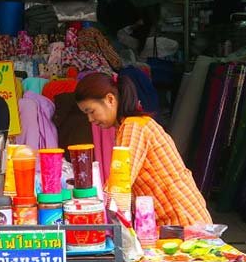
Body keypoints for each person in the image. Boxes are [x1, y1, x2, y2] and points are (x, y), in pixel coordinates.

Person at [74, 72, 211, 227]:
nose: (90, 119)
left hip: (183, 222)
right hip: (175, 220)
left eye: (91, 111)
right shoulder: (131, 126)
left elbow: (120, 184)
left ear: (110, 99)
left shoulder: (133, 127)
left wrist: (87, 204)